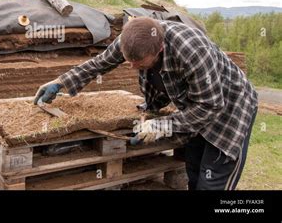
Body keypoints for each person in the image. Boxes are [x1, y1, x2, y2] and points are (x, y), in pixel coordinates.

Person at [34, 17, 258, 190]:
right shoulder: (133, 38)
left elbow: (210, 106)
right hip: (195, 106)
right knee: (194, 172)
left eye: (138, 63)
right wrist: (61, 82)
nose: (132, 67)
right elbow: (99, 64)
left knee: (213, 181)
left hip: (229, 108)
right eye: (128, 60)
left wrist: (161, 126)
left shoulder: (192, 51)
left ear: (159, 50)